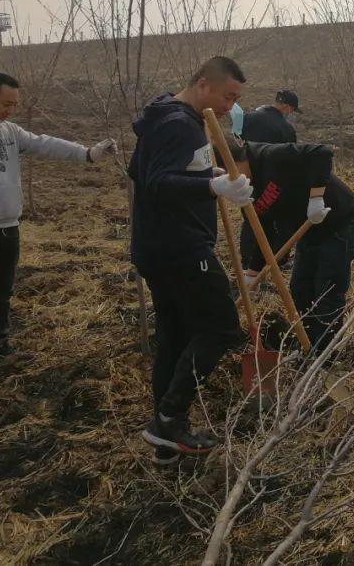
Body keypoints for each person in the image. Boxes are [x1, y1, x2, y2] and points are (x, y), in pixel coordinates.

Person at [0, 73, 116, 390]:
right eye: (6, 104)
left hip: (7, 227)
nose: (10, 111)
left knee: (0, 291)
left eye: (14, 105)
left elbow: (43, 143)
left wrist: (87, 153)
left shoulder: (8, 131)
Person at [129, 56, 253, 457]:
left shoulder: (169, 114)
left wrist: (208, 178)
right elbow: (156, 182)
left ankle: (166, 434)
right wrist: (212, 189)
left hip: (160, 246)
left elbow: (141, 170)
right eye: (227, 95)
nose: (229, 106)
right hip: (179, 248)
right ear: (203, 84)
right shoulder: (177, 124)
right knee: (220, 326)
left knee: (175, 336)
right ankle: (169, 417)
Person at [232, 135, 354, 354]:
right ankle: (309, 342)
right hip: (307, 230)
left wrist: (316, 197)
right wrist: (252, 274)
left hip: (339, 221)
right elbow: (261, 231)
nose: (232, 180)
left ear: (240, 160)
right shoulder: (246, 190)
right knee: (300, 288)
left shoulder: (270, 156)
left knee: (327, 289)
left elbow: (321, 152)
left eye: (231, 172)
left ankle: (326, 354)